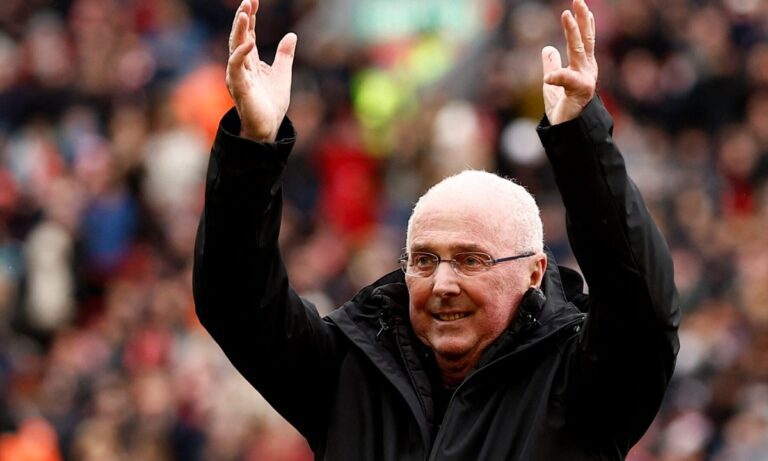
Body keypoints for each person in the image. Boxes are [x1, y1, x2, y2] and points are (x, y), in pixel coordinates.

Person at [192, 0, 680, 459]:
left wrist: (580, 141)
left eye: (471, 260)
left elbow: (643, 306)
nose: (442, 283)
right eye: (424, 260)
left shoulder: (582, 382)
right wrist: (253, 148)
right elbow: (236, 301)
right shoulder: (349, 371)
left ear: (534, 272)